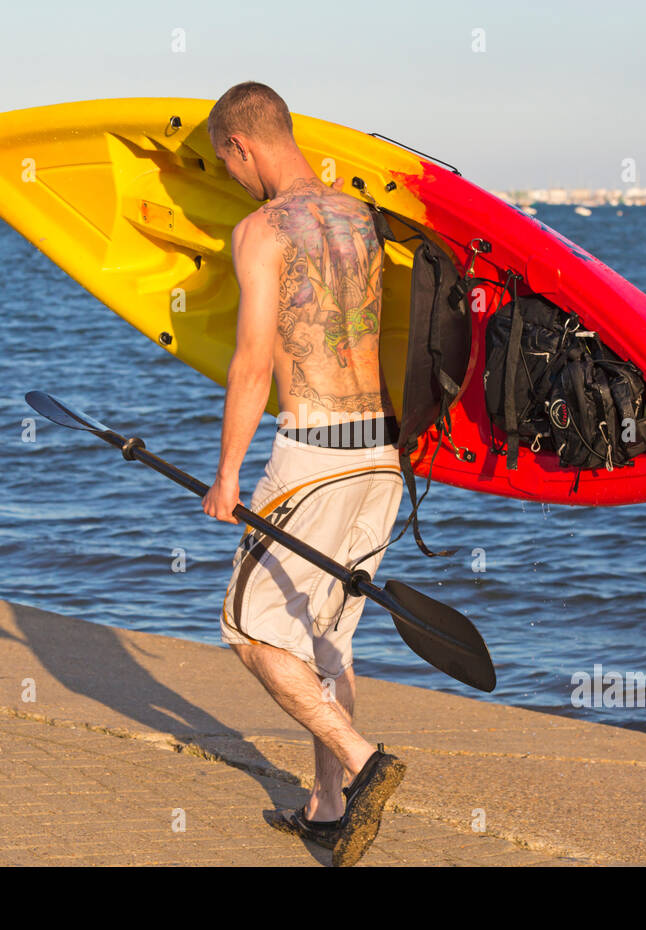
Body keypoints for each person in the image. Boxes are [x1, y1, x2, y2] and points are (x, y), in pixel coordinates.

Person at [200, 81, 406, 867]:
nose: (236, 181)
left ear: (242, 146)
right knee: (328, 637)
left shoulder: (261, 230)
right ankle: (325, 811)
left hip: (313, 453)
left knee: (249, 630)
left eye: (229, 166)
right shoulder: (363, 217)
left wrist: (227, 475)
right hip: (382, 454)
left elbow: (254, 362)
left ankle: (362, 764)